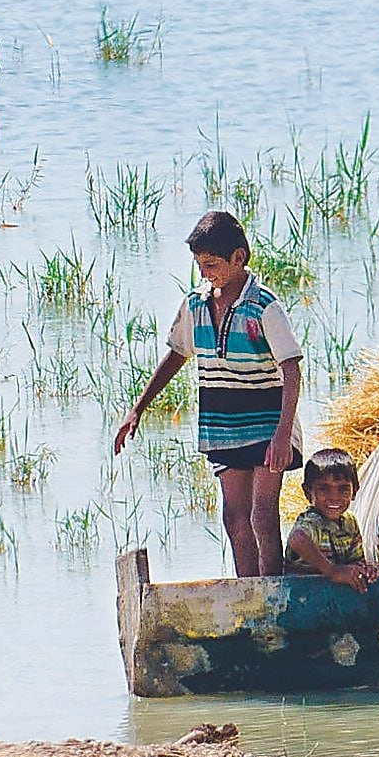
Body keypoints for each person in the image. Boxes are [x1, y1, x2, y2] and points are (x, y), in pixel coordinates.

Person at [113, 212, 306, 577]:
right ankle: (249, 595)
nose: (205, 273)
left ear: (239, 258)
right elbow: (177, 355)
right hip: (223, 423)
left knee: (262, 516)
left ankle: (277, 597)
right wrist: (137, 409)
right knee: (235, 518)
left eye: (212, 264)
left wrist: (283, 435)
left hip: (267, 422)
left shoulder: (263, 306)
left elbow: (291, 369)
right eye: (200, 265)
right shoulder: (196, 305)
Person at [285, 449, 379, 591]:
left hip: (331, 600)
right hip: (301, 596)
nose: (334, 497)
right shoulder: (313, 521)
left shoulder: (350, 523)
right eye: (324, 488)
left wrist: (366, 571)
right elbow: (298, 539)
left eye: (343, 489)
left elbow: (354, 563)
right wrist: (332, 571)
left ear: (355, 491)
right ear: (307, 492)